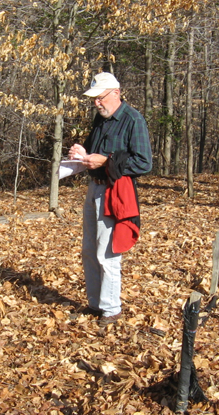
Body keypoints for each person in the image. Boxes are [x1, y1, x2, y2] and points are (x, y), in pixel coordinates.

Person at [69, 72, 152, 327]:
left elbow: (144, 163)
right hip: (93, 188)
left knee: (108, 253)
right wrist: (83, 153)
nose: (96, 103)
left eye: (100, 97)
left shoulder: (133, 120)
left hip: (115, 192)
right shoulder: (100, 118)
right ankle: (95, 304)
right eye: (94, 98)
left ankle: (111, 309)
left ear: (116, 93)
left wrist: (105, 161)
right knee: (89, 251)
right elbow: (94, 150)